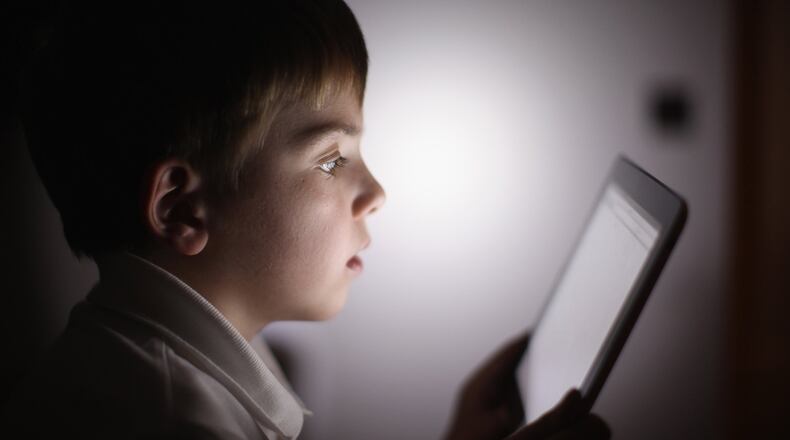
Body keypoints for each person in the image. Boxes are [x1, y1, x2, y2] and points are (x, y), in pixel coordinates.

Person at [3, 1, 610, 439]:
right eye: (330, 159)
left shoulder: (167, 357)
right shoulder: (168, 421)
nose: (375, 191)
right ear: (182, 209)